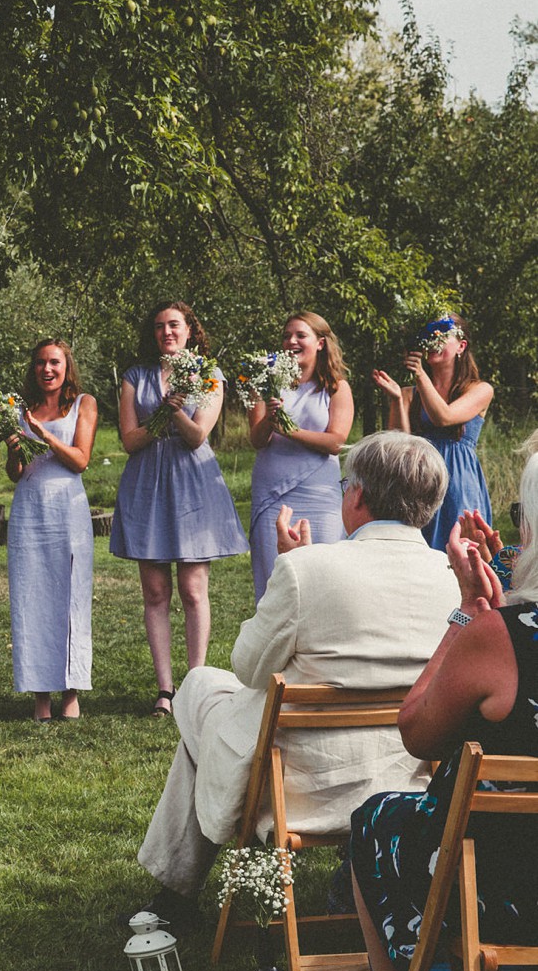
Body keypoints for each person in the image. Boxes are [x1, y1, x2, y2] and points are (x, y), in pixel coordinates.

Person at [126, 431, 457, 929]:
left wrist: (292, 566)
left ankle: (174, 891)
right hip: (407, 778)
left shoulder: (309, 569)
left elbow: (249, 666)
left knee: (199, 685)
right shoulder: (453, 576)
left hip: (296, 786)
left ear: (358, 495)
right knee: (215, 702)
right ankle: (178, 890)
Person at [350, 452, 538, 971]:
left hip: (509, 879)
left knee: (376, 819)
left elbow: (416, 732)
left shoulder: (499, 637)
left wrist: (465, 613)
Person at [109, 301, 248, 717]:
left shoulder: (209, 375)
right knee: (155, 592)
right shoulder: (135, 376)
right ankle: (165, 690)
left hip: (192, 483)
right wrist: (159, 417)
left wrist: (174, 412)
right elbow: (130, 441)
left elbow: (197, 436)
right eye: (159, 327)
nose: (166, 332)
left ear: (190, 330)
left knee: (192, 589)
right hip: (147, 483)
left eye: (174, 325)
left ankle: (196, 682)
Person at [5, 339, 97, 722]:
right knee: (32, 598)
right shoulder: (19, 409)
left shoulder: (83, 404)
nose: (47, 369)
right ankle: (40, 694)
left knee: (71, 595)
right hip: (30, 509)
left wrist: (45, 436)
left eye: (54, 362)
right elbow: (16, 474)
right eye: (41, 362)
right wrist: (14, 449)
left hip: (68, 510)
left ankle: (71, 689)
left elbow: (80, 460)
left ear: (66, 366)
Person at [246, 311, 352, 601]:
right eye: (286, 336)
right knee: (275, 581)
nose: (290, 341)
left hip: (320, 496)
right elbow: (257, 439)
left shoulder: (336, 387)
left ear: (320, 343)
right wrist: (269, 418)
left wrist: (289, 430)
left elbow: (335, 442)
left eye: (300, 335)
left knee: (325, 580)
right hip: (272, 496)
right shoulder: (266, 383)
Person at [373, 314, 493, 550]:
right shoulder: (410, 393)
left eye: (442, 333)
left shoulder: (480, 389)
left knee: (461, 550)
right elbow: (400, 444)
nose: (433, 340)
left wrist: (420, 375)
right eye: (429, 334)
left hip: (457, 479)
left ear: (461, 346)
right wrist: (397, 400)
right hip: (419, 479)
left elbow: (444, 417)